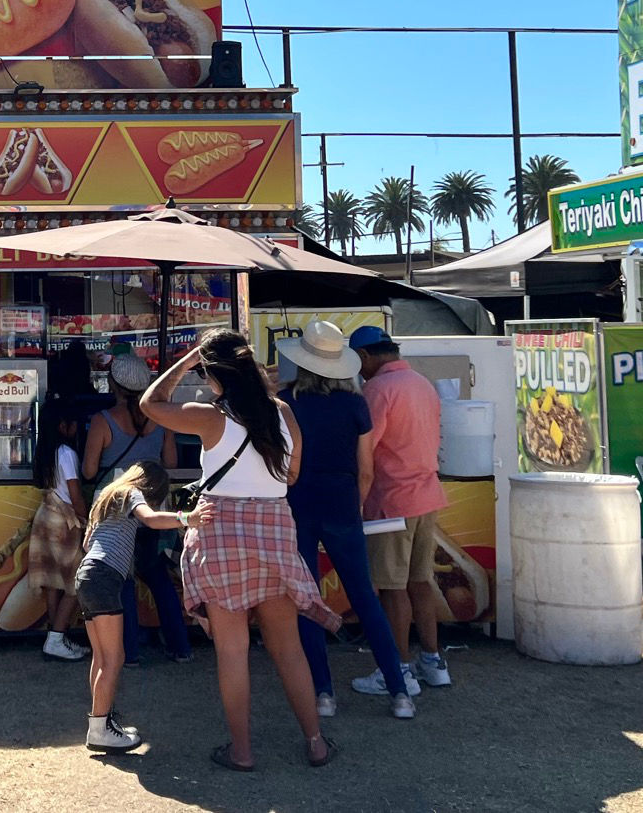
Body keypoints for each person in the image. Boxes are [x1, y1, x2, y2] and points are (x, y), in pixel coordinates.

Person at [143, 330, 340, 773]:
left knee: (232, 650)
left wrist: (184, 362)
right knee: (287, 647)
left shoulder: (210, 417)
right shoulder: (283, 413)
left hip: (220, 531)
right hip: (273, 527)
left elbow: (150, 405)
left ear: (214, 375)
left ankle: (242, 751)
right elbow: (291, 478)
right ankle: (315, 742)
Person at [277, 322, 416, 720]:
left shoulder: (286, 402)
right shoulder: (356, 404)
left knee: (306, 600)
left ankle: (323, 693)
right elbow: (366, 471)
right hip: (342, 502)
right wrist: (352, 508)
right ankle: (399, 692)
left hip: (298, 502)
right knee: (366, 599)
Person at [75, 460, 209, 752]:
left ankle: (102, 721)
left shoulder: (105, 497)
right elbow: (150, 518)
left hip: (87, 575)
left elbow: (87, 543)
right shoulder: (132, 493)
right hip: (106, 576)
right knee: (115, 657)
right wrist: (188, 518)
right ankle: (100, 729)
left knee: (101, 657)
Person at [348, 326, 448, 697]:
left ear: (365, 357)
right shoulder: (422, 383)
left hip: (392, 500)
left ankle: (398, 669)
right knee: (421, 582)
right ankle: (434, 662)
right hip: (427, 495)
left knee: (392, 589)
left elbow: (364, 453)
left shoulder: (377, 390)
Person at [82, 353, 191, 666]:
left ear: (113, 384)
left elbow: (89, 471)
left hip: (115, 507)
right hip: (153, 503)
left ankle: (129, 651)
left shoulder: (103, 420)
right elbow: (170, 463)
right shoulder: (161, 418)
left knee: (122, 578)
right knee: (156, 573)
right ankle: (180, 646)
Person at [28, 394, 90, 662]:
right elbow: (76, 496)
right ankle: (56, 639)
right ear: (63, 426)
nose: (77, 427)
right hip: (64, 522)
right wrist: (88, 522)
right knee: (77, 583)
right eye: (74, 422)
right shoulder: (67, 454)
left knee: (53, 583)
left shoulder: (46, 452)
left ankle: (56, 637)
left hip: (46, 517)